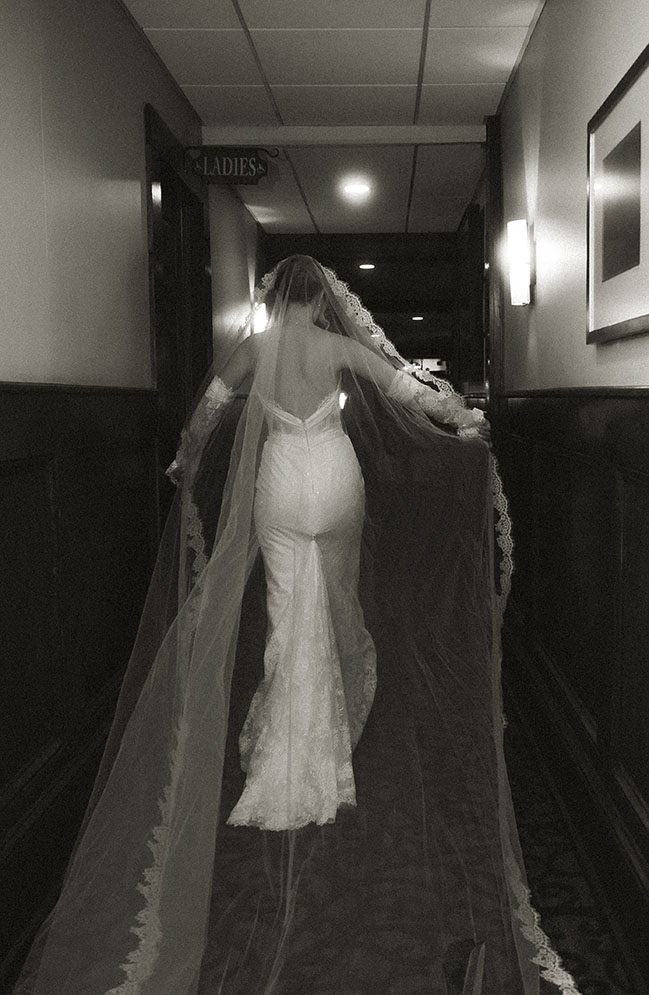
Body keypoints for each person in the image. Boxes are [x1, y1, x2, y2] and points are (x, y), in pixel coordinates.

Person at [15, 256, 578, 995]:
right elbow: (408, 392)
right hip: (336, 481)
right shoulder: (340, 346)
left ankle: (285, 755)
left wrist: (184, 460)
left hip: (280, 483)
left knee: (286, 609)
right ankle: (336, 727)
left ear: (274, 298)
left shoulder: (252, 350)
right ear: (322, 300)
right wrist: (467, 420)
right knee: (338, 598)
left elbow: (206, 414)